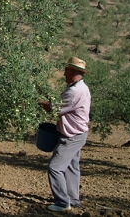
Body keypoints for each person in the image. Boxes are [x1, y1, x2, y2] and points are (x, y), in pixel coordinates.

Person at [39, 57, 91, 212]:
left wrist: (42, 104)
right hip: (78, 133)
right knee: (71, 166)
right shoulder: (80, 87)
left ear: (73, 72)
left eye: (66, 70)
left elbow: (55, 110)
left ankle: (62, 202)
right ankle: (73, 199)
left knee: (55, 167)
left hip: (72, 136)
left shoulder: (75, 91)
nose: (63, 74)